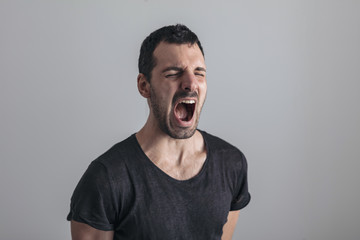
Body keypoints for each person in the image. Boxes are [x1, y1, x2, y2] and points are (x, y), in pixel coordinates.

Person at [67, 24, 250, 240]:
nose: (191, 83)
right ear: (144, 86)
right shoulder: (107, 179)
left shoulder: (231, 164)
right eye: (173, 73)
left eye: (199, 73)